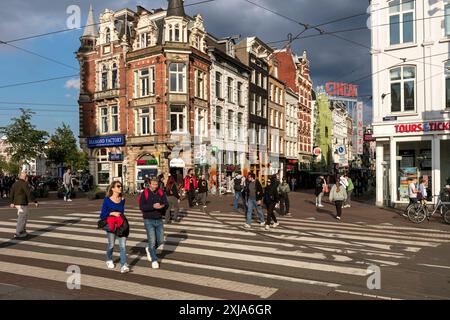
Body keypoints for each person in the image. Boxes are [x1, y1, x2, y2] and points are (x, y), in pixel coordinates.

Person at [100, 181, 129, 273]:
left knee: (123, 246)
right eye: (118, 186)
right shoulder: (107, 200)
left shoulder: (122, 199)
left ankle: (123, 265)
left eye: (121, 186)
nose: (120, 188)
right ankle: (109, 259)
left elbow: (122, 212)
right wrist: (112, 213)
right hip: (111, 224)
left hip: (121, 224)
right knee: (111, 244)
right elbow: (102, 215)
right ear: (113, 188)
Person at [139, 177, 169, 269]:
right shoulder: (145, 193)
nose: (155, 186)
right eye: (154, 184)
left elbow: (166, 203)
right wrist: (153, 206)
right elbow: (142, 207)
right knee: (152, 241)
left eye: (157, 184)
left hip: (159, 219)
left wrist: (162, 206)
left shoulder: (160, 192)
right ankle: (154, 259)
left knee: (160, 240)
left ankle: (149, 249)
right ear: (150, 184)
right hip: (148, 219)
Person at [9, 172, 38, 239]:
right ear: (25, 177)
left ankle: (23, 231)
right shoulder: (24, 184)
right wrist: (35, 201)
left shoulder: (15, 184)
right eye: (26, 177)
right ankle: (18, 233)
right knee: (22, 218)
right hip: (22, 203)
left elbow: (11, 194)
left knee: (23, 217)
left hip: (17, 203)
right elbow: (29, 193)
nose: (27, 178)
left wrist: (11, 202)